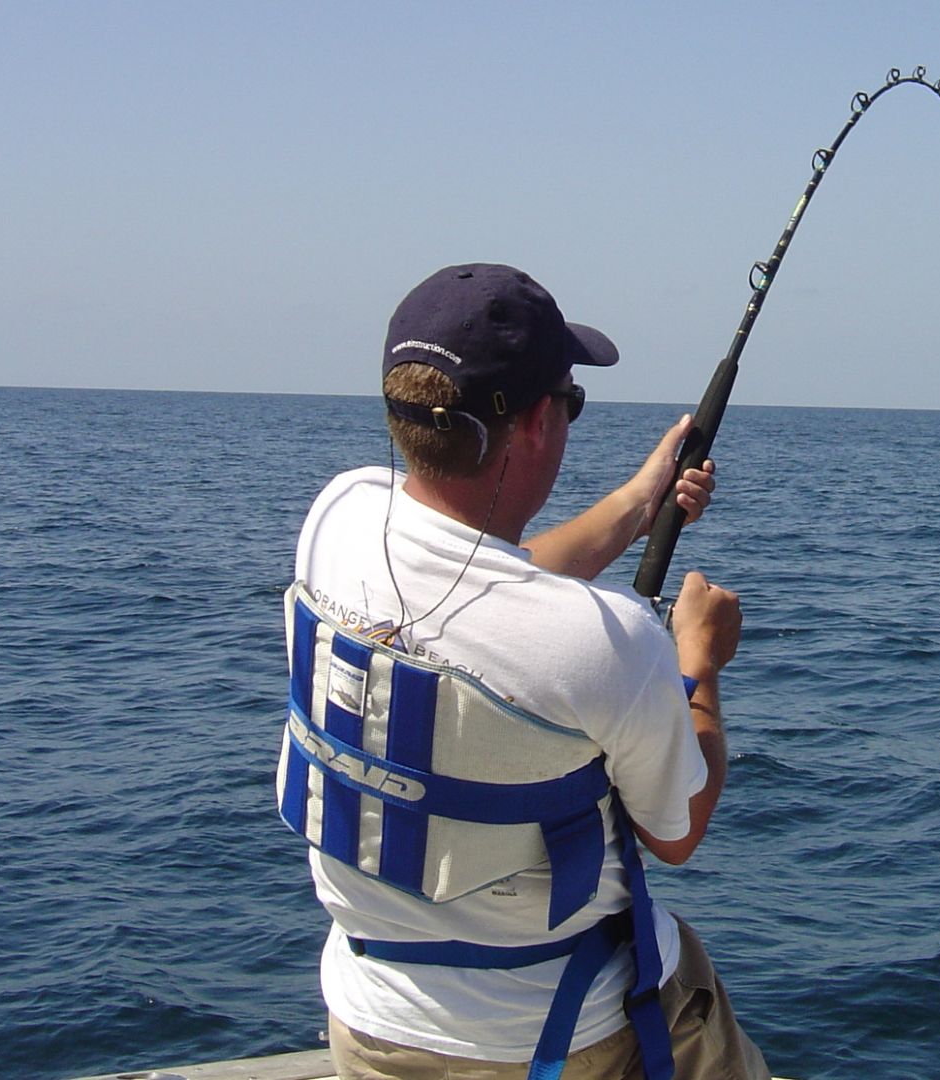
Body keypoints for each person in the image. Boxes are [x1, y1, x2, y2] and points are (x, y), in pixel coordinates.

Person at [277, 263, 771, 1080]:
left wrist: (643, 498)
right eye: (571, 401)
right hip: (564, 1040)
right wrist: (700, 663)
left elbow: (492, 591)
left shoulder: (339, 518)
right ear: (539, 422)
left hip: (368, 1018)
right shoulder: (610, 642)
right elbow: (678, 832)